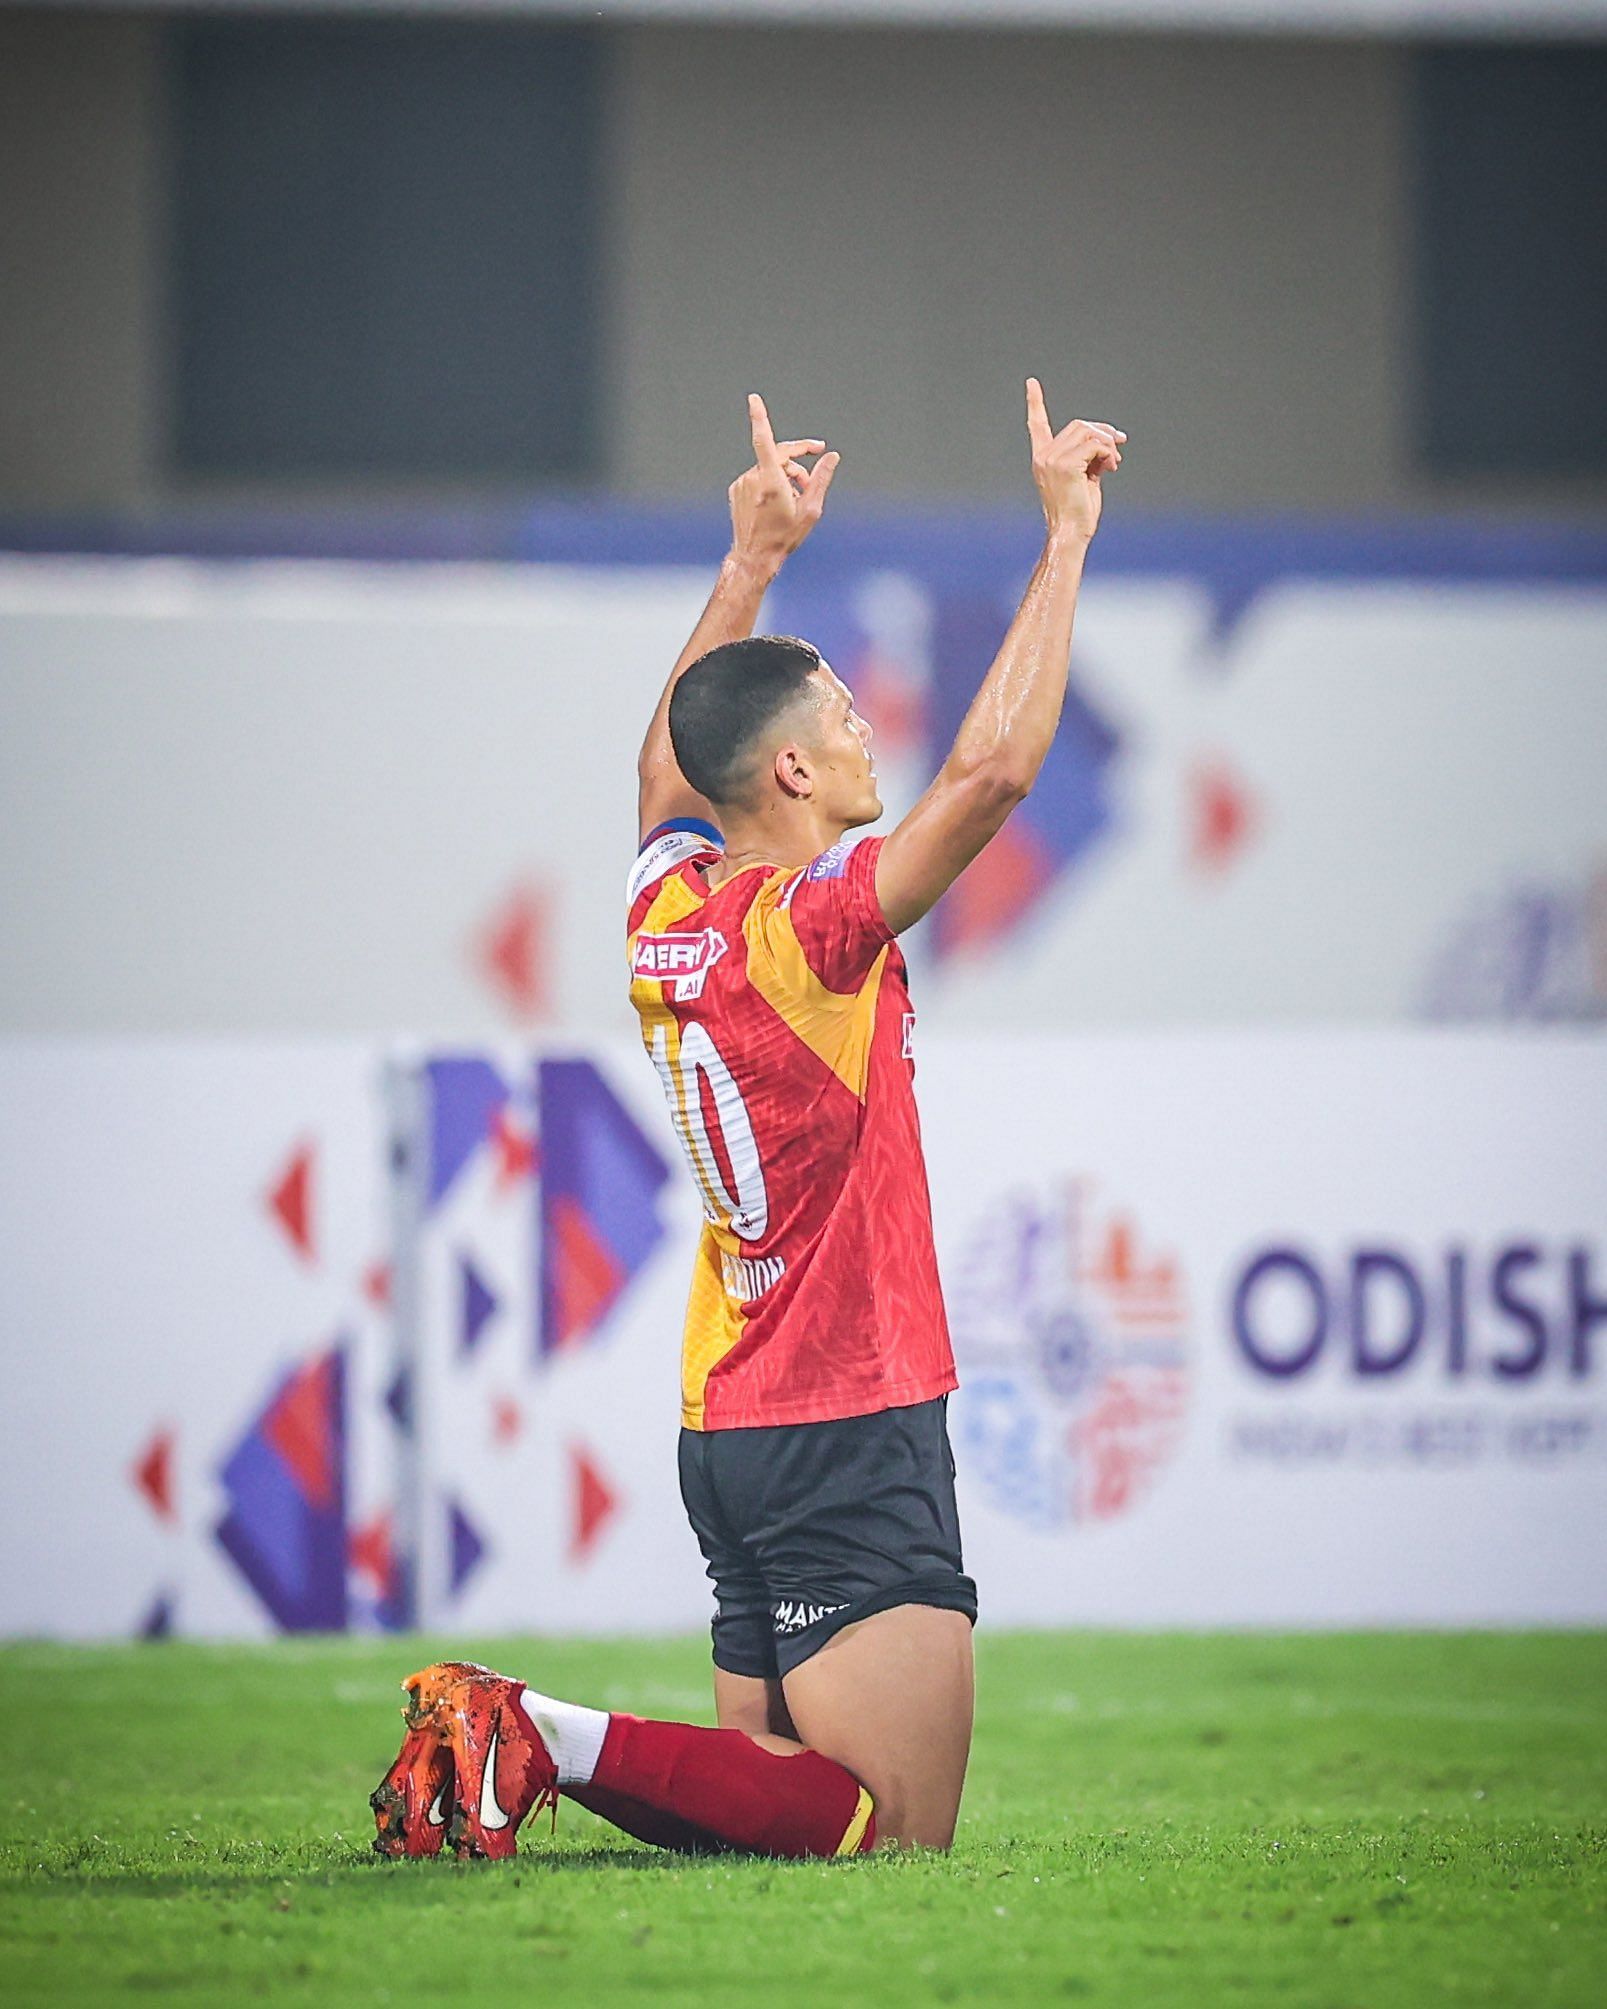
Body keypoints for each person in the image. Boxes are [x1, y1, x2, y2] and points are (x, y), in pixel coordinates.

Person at [371, 382, 1124, 1861]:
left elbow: (667, 769)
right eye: (843, 715)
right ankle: (535, 1730)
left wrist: (753, 556)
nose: (864, 728)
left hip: (728, 1415)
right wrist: (1067, 539)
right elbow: (994, 775)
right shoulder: (807, 930)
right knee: (891, 1829)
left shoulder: (669, 905)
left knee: (790, 1825)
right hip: (848, 1406)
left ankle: (535, 1742)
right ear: (789, 771)